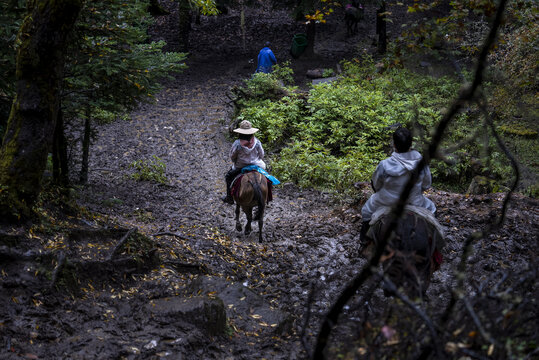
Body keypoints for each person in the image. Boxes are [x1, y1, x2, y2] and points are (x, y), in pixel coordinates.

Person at [360, 127, 436, 243]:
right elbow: (426, 185)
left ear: (394, 145)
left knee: (366, 211)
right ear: (411, 144)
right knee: (432, 209)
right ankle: (431, 241)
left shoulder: (384, 165)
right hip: (414, 202)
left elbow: (376, 185)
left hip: (386, 202)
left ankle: (364, 241)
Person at [222, 120, 266, 205]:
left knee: (228, 177)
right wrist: (256, 159)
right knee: (266, 175)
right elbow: (261, 154)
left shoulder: (237, 144)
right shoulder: (257, 142)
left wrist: (236, 161)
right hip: (256, 165)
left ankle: (229, 198)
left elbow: (232, 156)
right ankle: (268, 192)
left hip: (240, 166)